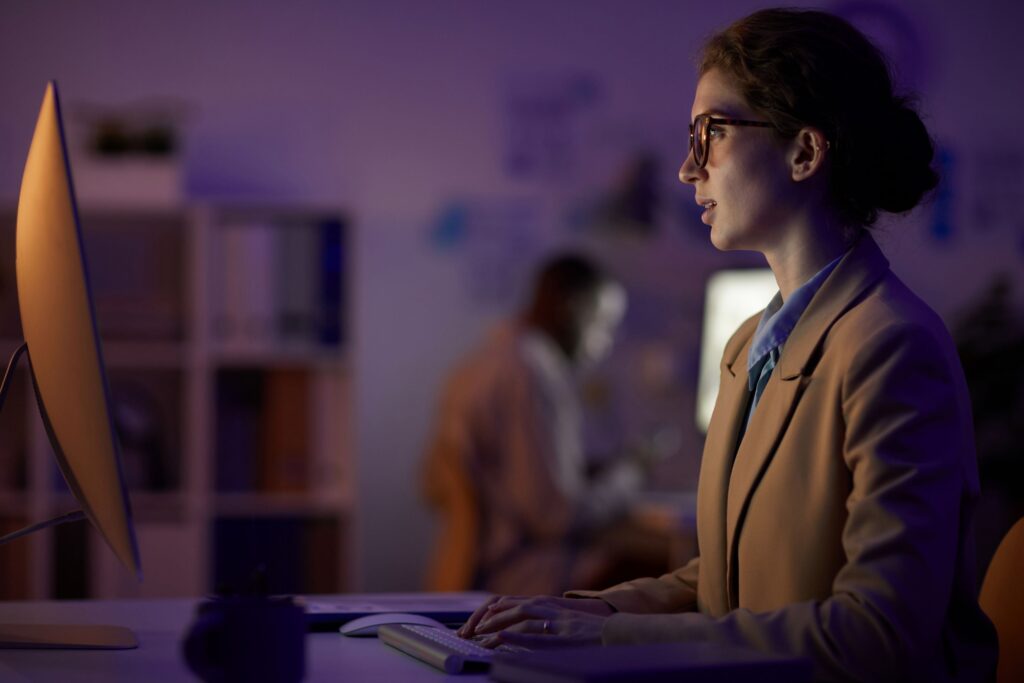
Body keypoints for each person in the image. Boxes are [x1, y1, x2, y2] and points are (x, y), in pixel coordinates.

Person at [458, 8, 999, 682]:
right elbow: (725, 581)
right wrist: (595, 612)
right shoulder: (749, 345)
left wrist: (610, 639)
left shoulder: (892, 345)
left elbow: (877, 633)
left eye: (712, 132)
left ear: (805, 152)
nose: (689, 170)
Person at [422, 253, 668, 596]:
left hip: (476, 566)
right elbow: (555, 518)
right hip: (523, 578)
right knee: (675, 569)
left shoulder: (483, 363)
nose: (607, 341)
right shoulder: (531, 373)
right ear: (573, 308)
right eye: (604, 323)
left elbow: (438, 484)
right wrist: (631, 474)